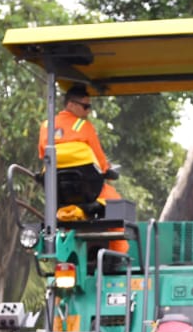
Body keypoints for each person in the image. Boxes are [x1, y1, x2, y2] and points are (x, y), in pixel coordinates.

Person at [37, 82, 128, 254]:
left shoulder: (45, 126)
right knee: (118, 205)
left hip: (58, 195)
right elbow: (101, 163)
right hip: (87, 194)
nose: (88, 112)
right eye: (86, 107)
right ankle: (118, 256)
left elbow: (43, 155)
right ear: (71, 104)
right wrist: (107, 170)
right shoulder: (84, 126)